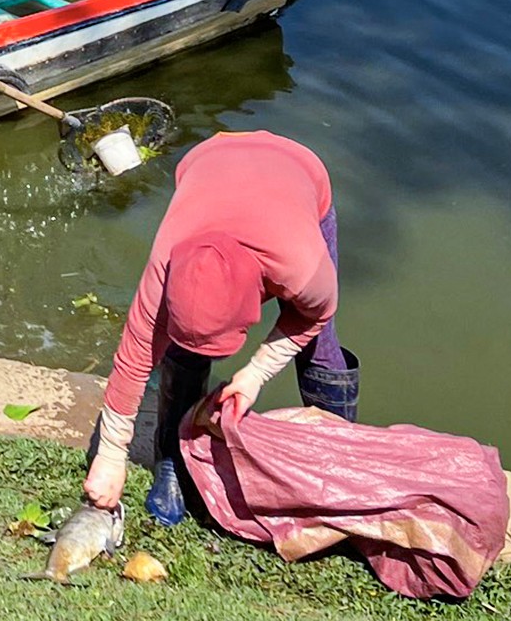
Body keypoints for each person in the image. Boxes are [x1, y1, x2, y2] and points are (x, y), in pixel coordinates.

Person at [81, 129, 359, 525]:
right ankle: (172, 462)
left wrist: (255, 374)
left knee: (320, 344)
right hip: (207, 165)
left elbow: (313, 315)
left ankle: (340, 463)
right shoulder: (167, 262)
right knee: (185, 338)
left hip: (297, 172)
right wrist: (110, 457)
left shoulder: (301, 267)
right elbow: (134, 358)